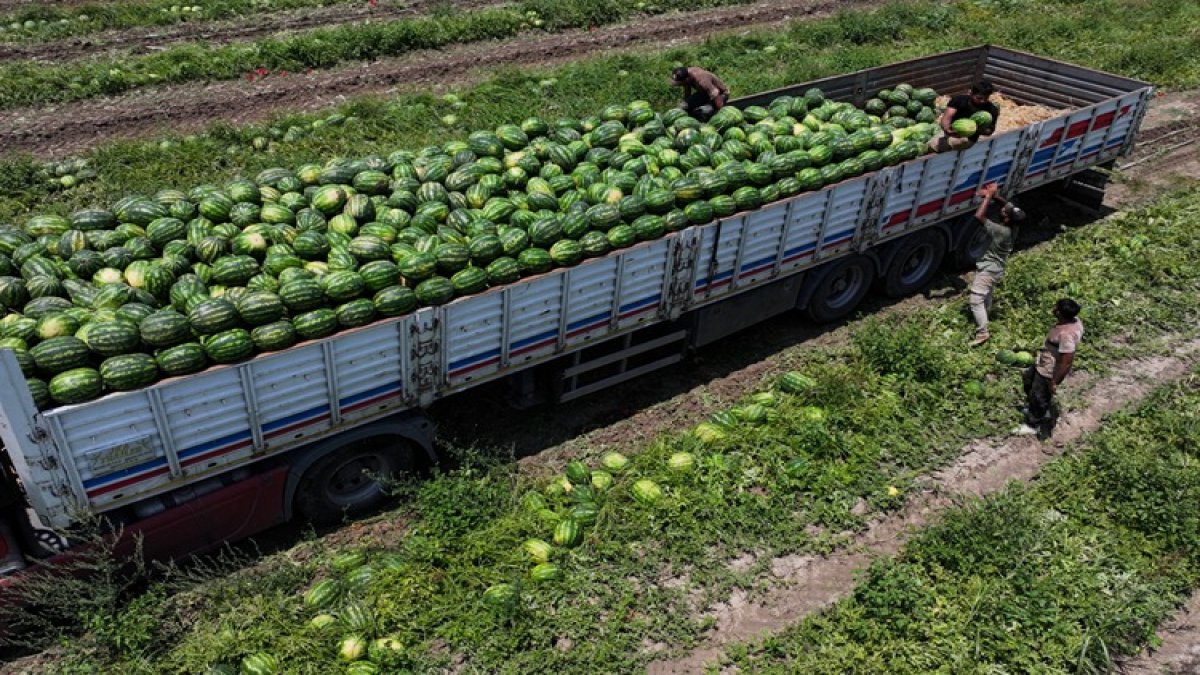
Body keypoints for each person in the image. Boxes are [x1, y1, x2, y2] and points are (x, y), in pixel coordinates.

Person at [967, 182, 1026, 346]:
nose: (1002, 209)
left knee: (976, 299)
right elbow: (1007, 205)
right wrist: (994, 195)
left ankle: (983, 332)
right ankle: (986, 315)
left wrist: (987, 198)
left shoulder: (1001, 232)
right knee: (987, 295)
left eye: (1004, 211)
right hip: (997, 269)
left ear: (1006, 217)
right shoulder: (1014, 226)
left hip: (989, 270)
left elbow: (979, 216)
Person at [1014, 298, 1084, 436]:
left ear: (1060, 313)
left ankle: (1033, 424)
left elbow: (1066, 361)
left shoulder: (1066, 335)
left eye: (1055, 308)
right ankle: (1037, 408)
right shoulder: (1073, 320)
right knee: (1028, 380)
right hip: (1043, 361)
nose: (1053, 308)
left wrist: (1054, 381)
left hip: (1049, 368)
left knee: (1039, 394)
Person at [929, 80, 1001, 152]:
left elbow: (990, 131)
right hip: (951, 131)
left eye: (986, 98)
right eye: (979, 98)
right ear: (970, 93)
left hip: (968, 139)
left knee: (937, 145)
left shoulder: (991, 110)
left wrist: (976, 128)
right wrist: (947, 129)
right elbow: (947, 117)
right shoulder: (959, 100)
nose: (982, 101)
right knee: (930, 145)